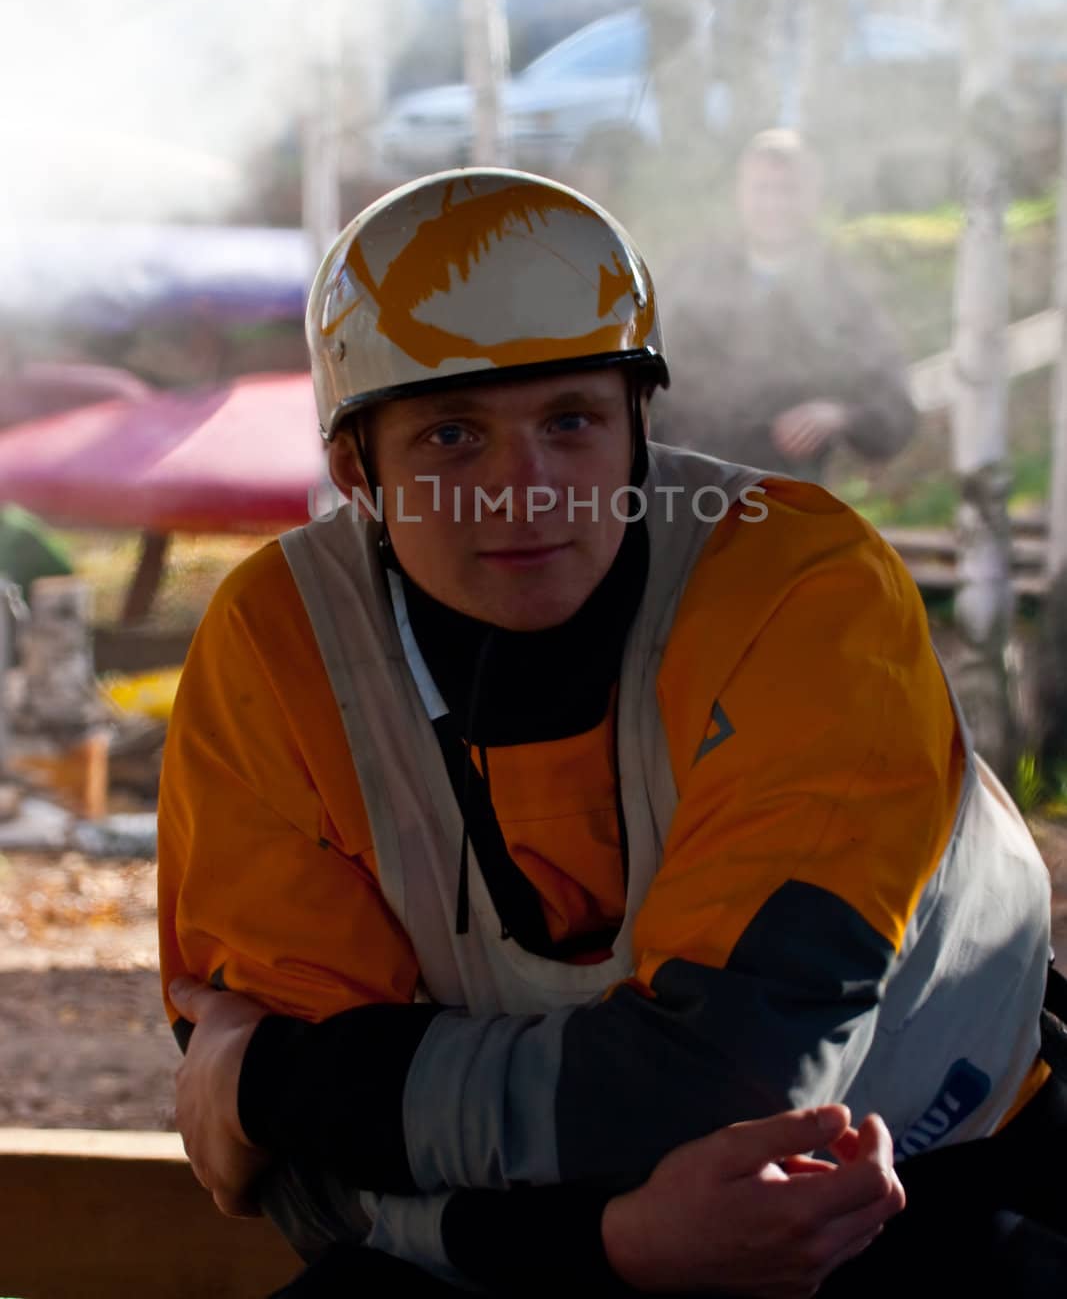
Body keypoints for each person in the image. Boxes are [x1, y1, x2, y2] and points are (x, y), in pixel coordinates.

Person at [159, 168, 1065, 1297]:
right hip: (513, 1238)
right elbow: (301, 1182)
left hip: (926, 1193)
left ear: (641, 428)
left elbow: (729, 1084)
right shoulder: (276, 648)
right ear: (355, 470)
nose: (522, 489)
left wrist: (261, 1085)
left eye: (570, 421)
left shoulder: (802, 596)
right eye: (449, 436)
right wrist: (606, 1242)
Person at [655, 130, 917, 482]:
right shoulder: (693, 275)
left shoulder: (843, 291)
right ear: (740, 194)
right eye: (763, 189)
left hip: (791, 497)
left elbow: (896, 410)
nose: (775, 204)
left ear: (814, 196)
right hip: (690, 487)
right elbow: (651, 370)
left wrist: (840, 415)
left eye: (789, 190)